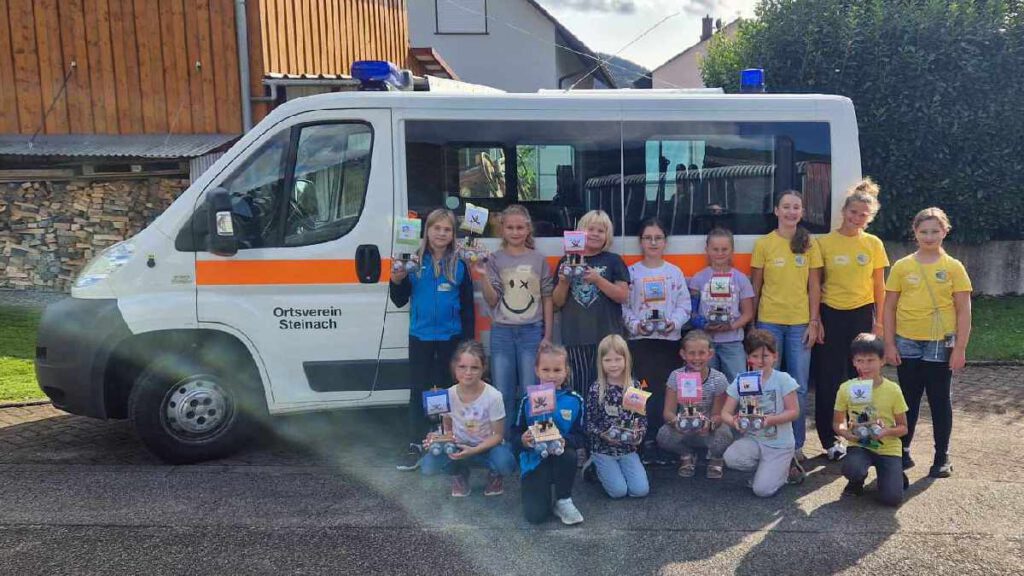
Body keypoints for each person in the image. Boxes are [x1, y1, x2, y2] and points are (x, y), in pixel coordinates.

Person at [884, 207, 972, 478]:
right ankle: (903, 451)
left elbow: (964, 310)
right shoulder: (902, 266)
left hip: (939, 344)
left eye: (935, 231)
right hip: (907, 341)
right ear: (915, 233)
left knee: (938, 400)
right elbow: (889, 308)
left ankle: (941, 456)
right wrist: (889, 344)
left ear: (945, 231)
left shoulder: (954, 267)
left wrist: (959, 349)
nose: (929, 236)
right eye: (924, 231)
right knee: (907, 400)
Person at [390, 209, 475, 468]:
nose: (441, 233)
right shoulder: (413, 261)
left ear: (453, 235)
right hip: (421, 336)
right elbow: (399, 299)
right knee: (419, 389)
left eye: (447, 229)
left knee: (448, 389)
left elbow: (467, 306)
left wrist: (467, 345)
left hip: (451, 337)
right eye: (436, 228)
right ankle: (416, 443)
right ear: (426, 231)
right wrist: (397, 278)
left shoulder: (459, 264)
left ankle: (446, 437)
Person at [814, 178, 890, 461]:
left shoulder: (873, 244)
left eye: (864, 215)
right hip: (831, 314)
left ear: (869, 218)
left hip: (861, 314)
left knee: (861, 377)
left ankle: (862, 433)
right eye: (853, 212)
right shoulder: (824, 243)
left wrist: (879, 322)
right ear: (844, 211)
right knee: (829, 378)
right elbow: (816, 284)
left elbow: (879, 287)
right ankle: (830, 438)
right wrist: (816, 320)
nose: (857, 218)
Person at [751, 190, 823, 464]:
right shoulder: (764, 244)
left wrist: (814, 321)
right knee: (768, 385)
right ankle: (768, 441)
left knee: (799, 386)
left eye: (796, 207)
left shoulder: (809, 243)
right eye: (786, 207)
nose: (791, 212)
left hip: (800, 324)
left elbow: (814, 286)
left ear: (801, 212)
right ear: (776, 211)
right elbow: (755, 287)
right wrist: (754, 324)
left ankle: (796, 444)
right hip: (769, 323)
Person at [479, 205, 554, 437]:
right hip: (502, 331)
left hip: (532, 331)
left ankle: (535, 439)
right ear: (502, 229)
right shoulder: (495, 259)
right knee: (503, 391)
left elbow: (547, 298)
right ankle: (503, 442)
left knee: (533, 391)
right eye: (510, 227)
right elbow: (492, 301)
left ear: (528, 229)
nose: (515, 232)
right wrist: (483, 277)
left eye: (520, 227)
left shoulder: (538, 259)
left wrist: (547, 335)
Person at [622, 218, 690, 457]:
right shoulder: (631, 272)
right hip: (640, 342)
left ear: (665, 242)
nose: (653, 242)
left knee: (666, 391)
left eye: (658, 238)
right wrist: (635, 325)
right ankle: (640, 439)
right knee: (640, 389)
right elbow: (624, 306)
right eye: (648, 238)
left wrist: (674, 322)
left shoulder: (674, 272)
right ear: (641, 242)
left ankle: (665, 439)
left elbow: (685, 305)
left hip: (668, 342)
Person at [421, 341, 517, 497]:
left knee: (505, 463)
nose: (468, 372)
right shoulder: (447, 395)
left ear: (483, 368)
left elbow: (498, 435)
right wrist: (439, 438)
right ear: (454, 367)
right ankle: (459, 473)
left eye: (474, 367)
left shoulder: (494, 396)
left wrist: (474, 450)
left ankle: (495, 474)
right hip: (459, 445)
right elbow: (448, 428)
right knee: (428, 465)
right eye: (462, 367)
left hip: (487, 447)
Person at [552, 210, 630, 400]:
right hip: (574, 337)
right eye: (590, 229)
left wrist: (597, 279)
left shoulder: (613, 261)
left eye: (601, 230)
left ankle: (605, 424)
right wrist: (563, 282)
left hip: (606, 338)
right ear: (579, 233)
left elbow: (622, 296)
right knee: (578, 386)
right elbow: (556, 303)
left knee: (607, 386)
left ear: (607, 236)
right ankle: (580, 426)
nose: (595, 234)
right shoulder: (566, 261)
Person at [721, 329, 801, 497]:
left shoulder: (783, 379)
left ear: (775, 356)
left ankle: (785, 468)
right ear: (748, 358)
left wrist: (771, 420)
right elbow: (725, 413)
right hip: (754, 440)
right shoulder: (742, 379)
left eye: (765, 356)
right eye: (755, 356)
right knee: (731, 457)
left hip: (779, 444)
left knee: (762, 491)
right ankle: (767, 470)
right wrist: (733, 421)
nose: (760, 361)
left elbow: (794, 412)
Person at [513, 343, 585, 525]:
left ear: (566, 371)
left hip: (560, 456)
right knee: (535, 516)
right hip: (535, 458)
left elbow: (583, 436)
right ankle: (541, 493)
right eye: (546, 369)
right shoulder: (526, 400)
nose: (551, 375)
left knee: (568, 454)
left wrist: (565, 440)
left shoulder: (575, 400)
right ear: (537, 370)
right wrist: (523, 440)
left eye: (557, 370)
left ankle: (563, 499)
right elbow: (513, 434)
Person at [833, 333, 909, 507]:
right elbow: (838, 422)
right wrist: (846, 434)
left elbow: (903, 427)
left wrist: (887, 431)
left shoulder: (893, 390)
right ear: (853, 362)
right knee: (853, 468)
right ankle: (856, 481)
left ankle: (894, 474)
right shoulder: (846, 388)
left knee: (891, 499)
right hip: (860, 444)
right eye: (860, 361)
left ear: (882, 361)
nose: (865, 366)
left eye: (870, 360)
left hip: (888, 446)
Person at [656, 330, 735, 479]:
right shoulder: (676, 376)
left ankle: (716, 457)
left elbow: (718, 414)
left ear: (710, 354)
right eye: (691, 353)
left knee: (725, 436)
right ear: (683, 354)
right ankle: (687, 454)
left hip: (708, 429)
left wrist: (709, 425)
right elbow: (668, 412)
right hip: (683, 427)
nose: (697, 358)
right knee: (663, 435)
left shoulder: (718, 379)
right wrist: (677, 423)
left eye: (701, 353)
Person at [584, 334, 650, 499]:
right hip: (603, 449)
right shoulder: (596, 389)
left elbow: (641, 419)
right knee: (618, 492)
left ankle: (619, 470)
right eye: (608, 360)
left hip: (628, 449)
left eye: (618, 359)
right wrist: (603, 435)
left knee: (640, 491)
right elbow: (589, 423)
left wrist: (638, 436)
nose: (613, 365)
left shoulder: (635, 386)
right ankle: (594, 465)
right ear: (601, 362)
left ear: (626, 359)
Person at [688, 228, 755, 383]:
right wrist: (703, 324)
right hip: (704, 343)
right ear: (707, 250)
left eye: (724, 249)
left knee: (740, 383)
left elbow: (748, 313)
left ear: (732, 251)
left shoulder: (740, 279)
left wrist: (731, 326)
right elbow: (691, 312)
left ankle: (740, 408)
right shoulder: (698, 279)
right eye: (715, 249)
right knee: (706, 384)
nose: (720, 253)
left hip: (732, 342)